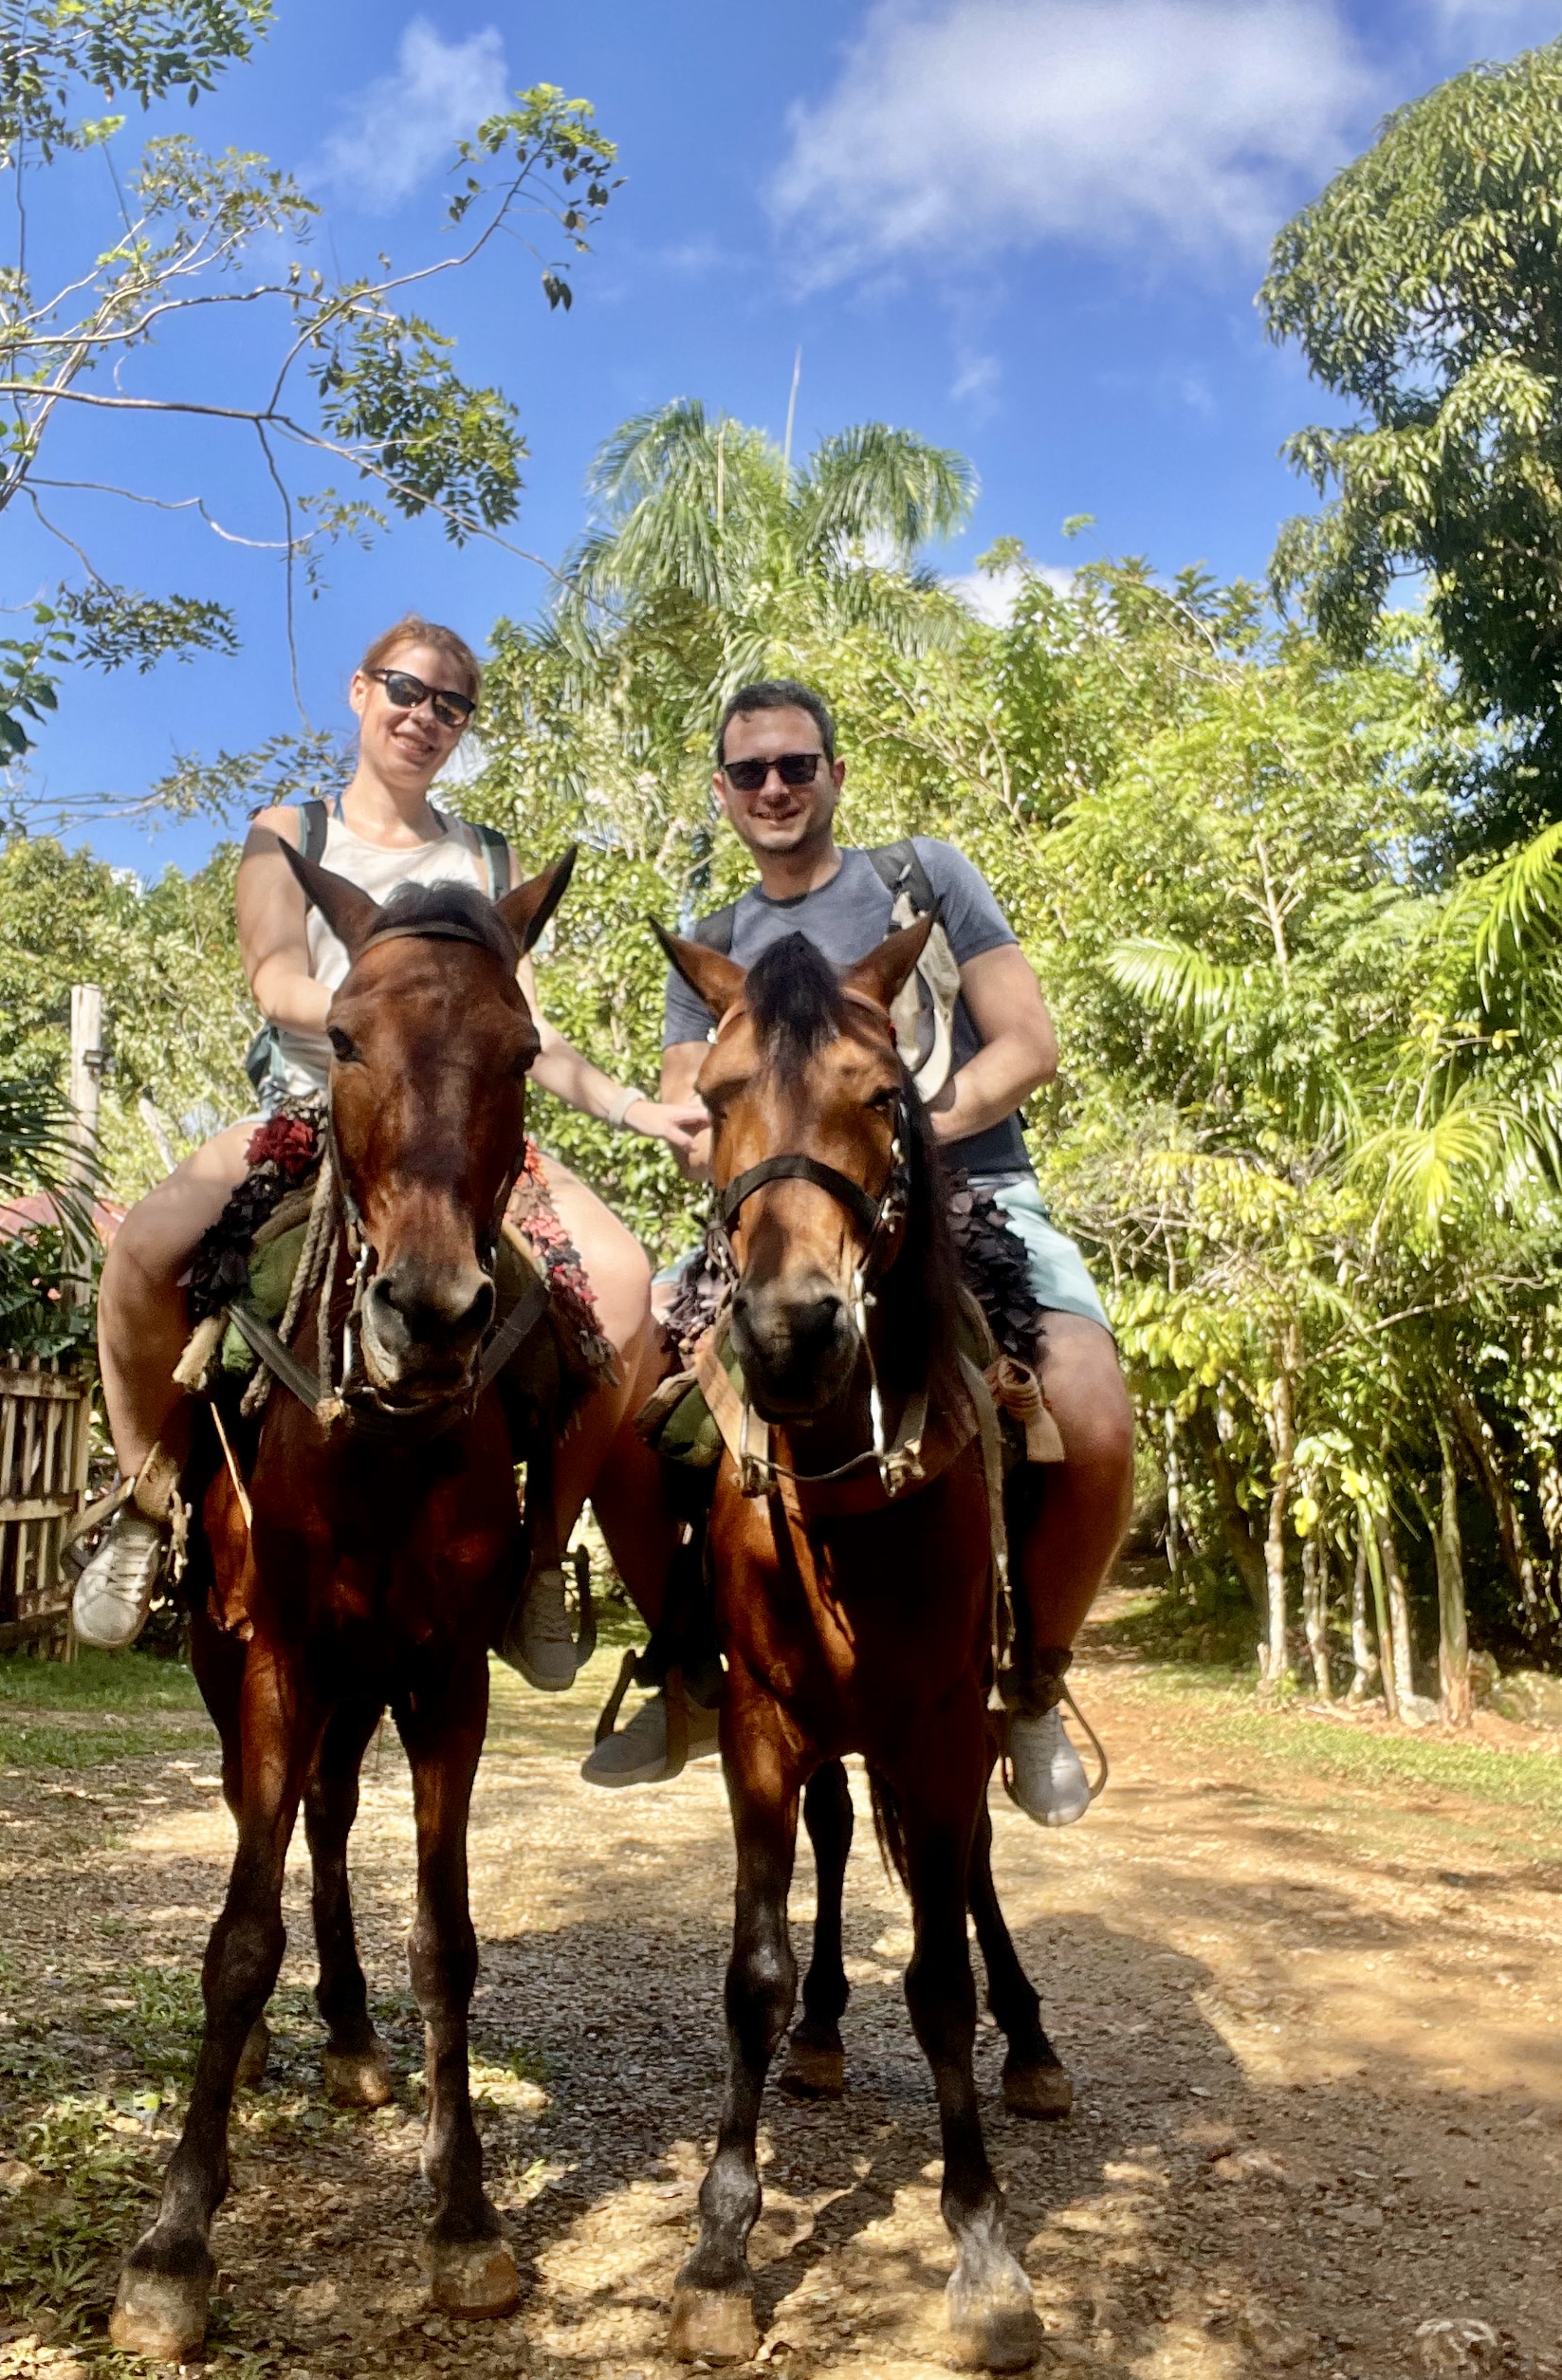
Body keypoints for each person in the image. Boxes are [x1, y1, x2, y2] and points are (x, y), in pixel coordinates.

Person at [74, 614, 706, 1684]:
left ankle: (541, 1555)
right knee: (144, 1244)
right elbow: (275, 981)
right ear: (360, 691)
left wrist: (642, 1110)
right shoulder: (294, 830)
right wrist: (397, 1026)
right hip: (319, 1101)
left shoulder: (488, 857)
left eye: (450, 704)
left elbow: (527, 1031)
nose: (425, 716)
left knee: (627, 1284)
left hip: (467, 1128)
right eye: (407, 691)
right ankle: (144, 1501)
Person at [581, 677, 1135, 1825]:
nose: (774, 787)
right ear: (727, 794)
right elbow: (694, 1111)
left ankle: (1034, 1685)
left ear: (833, 774)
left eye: (795, 765)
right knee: (624, 1416)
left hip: (965, 1188)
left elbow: (1028, 1043)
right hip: (785, 1218)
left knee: (1089, 1409)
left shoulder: (924, 877)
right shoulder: (720, 940)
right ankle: (684, 1662)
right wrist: (752, 1145)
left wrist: (900, 1132)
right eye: (750, 773)